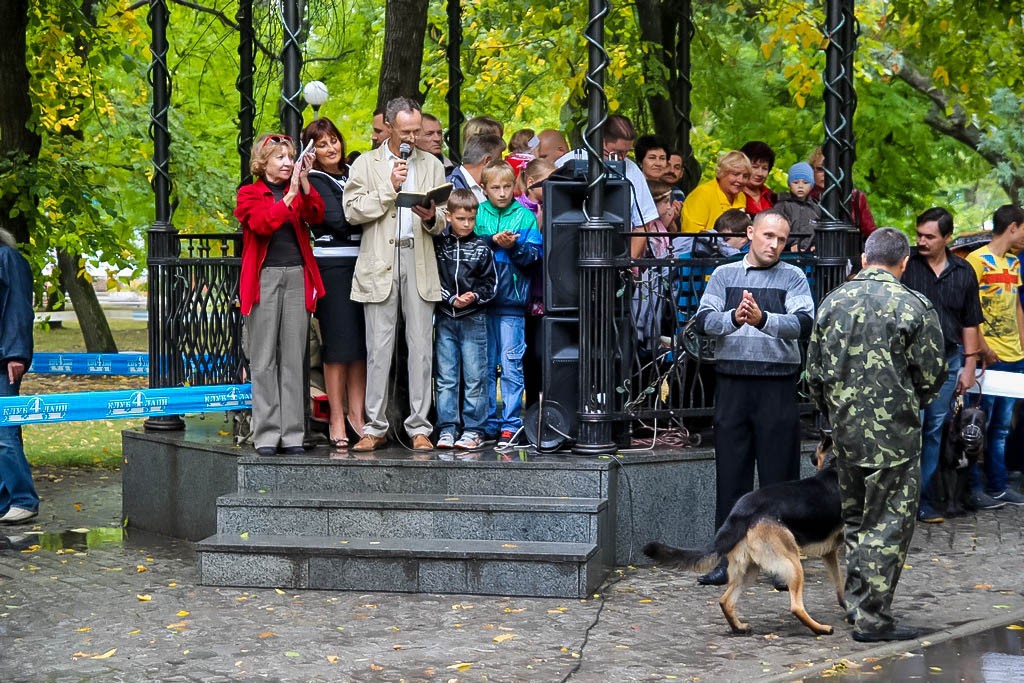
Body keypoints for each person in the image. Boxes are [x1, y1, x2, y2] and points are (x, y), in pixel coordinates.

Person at [805, 228, 945, 642]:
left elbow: (812, 376)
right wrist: (906, 404)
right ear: (903, 263)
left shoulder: (832, 303)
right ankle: (871, 619)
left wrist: (835, 410)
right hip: (895, 438)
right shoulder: (914, 305)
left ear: (864, 258)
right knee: (887, 526)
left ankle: (856, 605)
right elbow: (932, 376)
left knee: (855, 520)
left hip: (846, 434)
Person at [691, 209, 814, 586]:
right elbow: (703, 319)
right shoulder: (725, 274)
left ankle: (781, 564)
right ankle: (726, 560)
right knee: (731, 477)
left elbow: (804, 324)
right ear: (750, 233)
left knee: (780, 479)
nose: (774, 244)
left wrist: (762, 319)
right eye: (767, 236)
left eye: (781, 239)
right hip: (732, 385)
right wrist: (734, 317)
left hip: (776, 386)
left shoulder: (794, 276)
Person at [344, 97, 447, 452]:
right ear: (388, 127)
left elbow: (445, 219)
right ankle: (373, 427)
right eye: (406, 131)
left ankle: (419, 427)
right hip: (379, 264)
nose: (413, 137)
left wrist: (432, 217)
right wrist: (389, 189)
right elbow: (352, 211)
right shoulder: (365, 164)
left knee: (420, 350)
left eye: (417, 130)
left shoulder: (433, 164)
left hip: (418, 260)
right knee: (378, 350)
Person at [234, 133, 325, 456]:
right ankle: (267, 433)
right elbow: (262, 224)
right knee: (264, 359)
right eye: (280, 158)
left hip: (297, 275)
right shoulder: (249, 193)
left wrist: (303, 184)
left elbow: (316, 214)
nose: (288, 163)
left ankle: (293, 433)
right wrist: (287, 198)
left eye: (291, 158)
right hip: (264, 279)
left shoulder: (296, 188)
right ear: (263, 162)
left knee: (293, 358)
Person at [901, 207, 983, 521]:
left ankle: (923, 499)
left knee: (934, 429)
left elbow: (970, 322)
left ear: (947, 238)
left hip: (948, 361)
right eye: (919, 234)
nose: (921, 241)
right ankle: (902, 500)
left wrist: (969, 365)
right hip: (908, 360)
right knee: (911, 427)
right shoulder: (906, 265)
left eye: (929, 236)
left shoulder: (963, 272)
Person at [301, 117, 367, 449]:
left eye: (334, 141)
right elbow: (337, 221)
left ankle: (358, 415)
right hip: (333, 267)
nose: (331, 148)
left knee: (360, 347)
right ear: (312, 151)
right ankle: (337, 417)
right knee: (338, 347)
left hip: (364, 263)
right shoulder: (314, 179)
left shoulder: (354, 173)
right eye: (321, 144)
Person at [475, 161, 543, 447]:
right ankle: (488, 421)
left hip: (513, 303)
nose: (502, 193)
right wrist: (492, 241)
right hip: (483, 302)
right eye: (495, 188)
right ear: (484, 189)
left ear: (515, 186)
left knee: (512, 365)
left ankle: (512, 422)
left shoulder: (524, 216)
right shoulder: (479, 213)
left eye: (507, 187)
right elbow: (470, 247)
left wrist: (514, 246)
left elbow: (535, 257)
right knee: (486, 366)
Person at [965, 204, 1024, 507]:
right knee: (978, 423)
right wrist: (982, 347)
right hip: (988, 357)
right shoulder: (977, 262)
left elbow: (1016, 306)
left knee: (1002, 425)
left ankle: (998, 485)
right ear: (1012, 227)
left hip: (1014, 356)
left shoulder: (1014, 264)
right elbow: (969, 309)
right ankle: (975, 487)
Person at [433, 190, 497, 451]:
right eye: (461, 219)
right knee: (446, 377)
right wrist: (450, 300)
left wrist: (475, 296)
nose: (466, 224)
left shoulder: (482, 247)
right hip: (446, 317)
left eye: (471, 219)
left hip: (474, 318)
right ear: (448, 216)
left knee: (475, 376)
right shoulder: (440, 244)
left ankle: (473, 429)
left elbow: (491, 284)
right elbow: (433, 280)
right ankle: (447, 428)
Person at [555, 115, 660, 236]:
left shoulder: (632, 169)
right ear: (599, 140)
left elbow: (643, 225)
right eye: (617, 152)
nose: (622, 158)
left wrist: (630, 255)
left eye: (627, 152)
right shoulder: (566, 162)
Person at [0, 229, 38, 525]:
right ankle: (5, 501)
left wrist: (16, 353)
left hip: (4, 358)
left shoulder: (8, 258)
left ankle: (23, 499)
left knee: (5, 432)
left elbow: (18, 308)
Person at [808, 147, 876, 237]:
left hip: (849, 248)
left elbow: (872, 234)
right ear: (812, 171)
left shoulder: (856, 198)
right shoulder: (804, 197)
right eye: (821, 169)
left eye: (832, 169)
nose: (827, 174)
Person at [680, 151, 751, 234]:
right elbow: (692, 235)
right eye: (735, 174)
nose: (740, 180)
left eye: (745, 176)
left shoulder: (741, 196)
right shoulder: (703, 194)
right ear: (722, 173)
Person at [447, 133, 506, 204]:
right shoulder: (452, 187)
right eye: (499, 160)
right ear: (487, 161)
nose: (502, 166)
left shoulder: (485, 186)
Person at [774, 162, 820, 251]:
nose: (800, 186)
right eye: (795, 182)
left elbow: (819, 231)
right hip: (786, 253)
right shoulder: (782, 206)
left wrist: (816, 245)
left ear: (811, 185)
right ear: (789, 184)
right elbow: (776, 230)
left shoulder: (816, 209)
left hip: (810, 254)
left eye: (806, 182)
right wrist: (790, 244)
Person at [739, 141, 776, 215]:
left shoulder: (772, 197)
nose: (760, 173)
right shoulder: (733, 195)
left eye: (764, 168)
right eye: (755, 167)